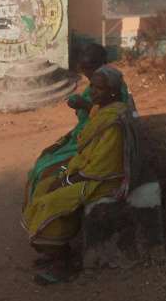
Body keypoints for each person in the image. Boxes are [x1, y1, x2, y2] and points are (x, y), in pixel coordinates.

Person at [22, 66, 137, 284]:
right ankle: (57, 251)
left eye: (99, 88)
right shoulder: (104, 110)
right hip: (87, 169)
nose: (92, 91)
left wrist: (66, 180)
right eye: (92, 86)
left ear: (113, 92)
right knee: (44, 184)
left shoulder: (113, 122)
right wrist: (65, 175)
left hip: (104, 182)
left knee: (52, 201)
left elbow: (103, 168)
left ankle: (63, 265)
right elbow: (90, 146)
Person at [24, 44, 136, 206]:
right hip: (83, 135)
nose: (86, 73)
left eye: (90, 67)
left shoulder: (114, 88)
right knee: (44, 158)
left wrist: (85, 105)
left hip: (95, 143)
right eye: (83, 68)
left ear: (103, 63)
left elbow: (110, 116)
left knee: (47, 171)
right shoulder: (97, 83)